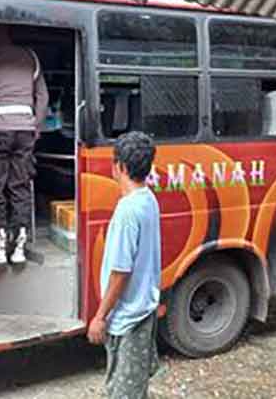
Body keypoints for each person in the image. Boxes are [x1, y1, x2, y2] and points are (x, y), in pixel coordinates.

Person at [87, 131, 161, 399]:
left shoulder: (127, 211)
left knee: (124, 392)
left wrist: (100, 317)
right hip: (144, 310)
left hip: (129, 318)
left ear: (120, 167)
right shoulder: (148, 198)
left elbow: (121, 273)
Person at [0, 24, 49, 265]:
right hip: (24, 130)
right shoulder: (31, 57)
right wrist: (36, 127)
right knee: (19, 185)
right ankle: (20, 245)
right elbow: (42, 96)